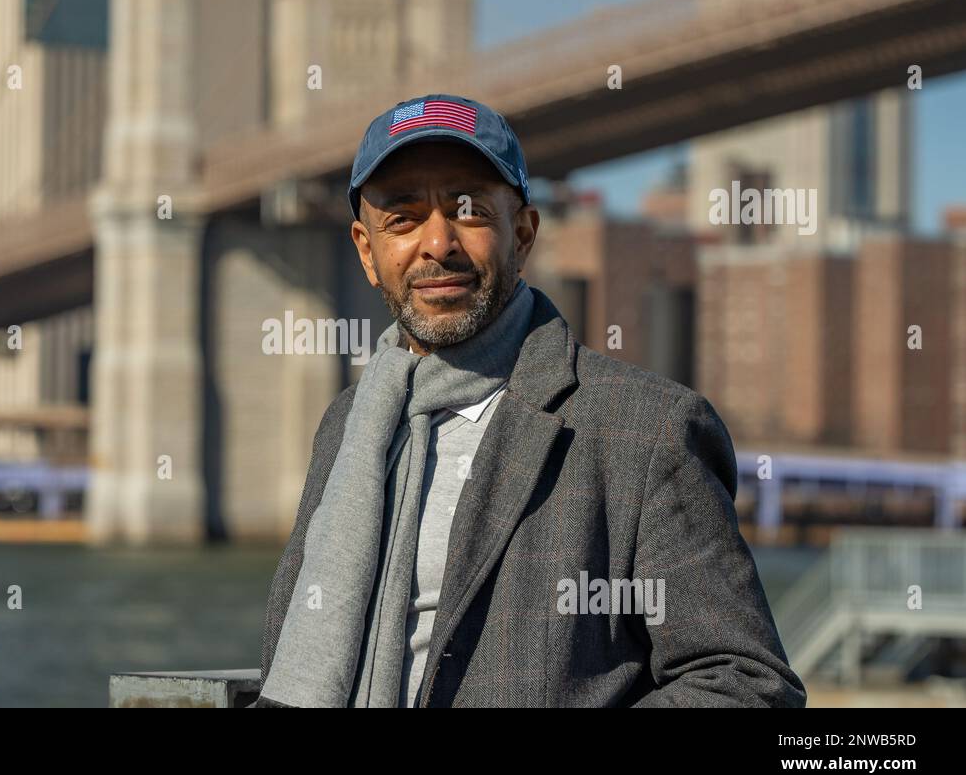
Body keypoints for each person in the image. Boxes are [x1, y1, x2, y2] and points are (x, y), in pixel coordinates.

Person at [252, 94, 806, 708]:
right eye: (403, 218)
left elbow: (746, 685)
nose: (438, 244)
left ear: (523, 232)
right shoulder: (348, 426)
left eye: (468, 210)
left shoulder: (646, 431)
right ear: (366, 250)